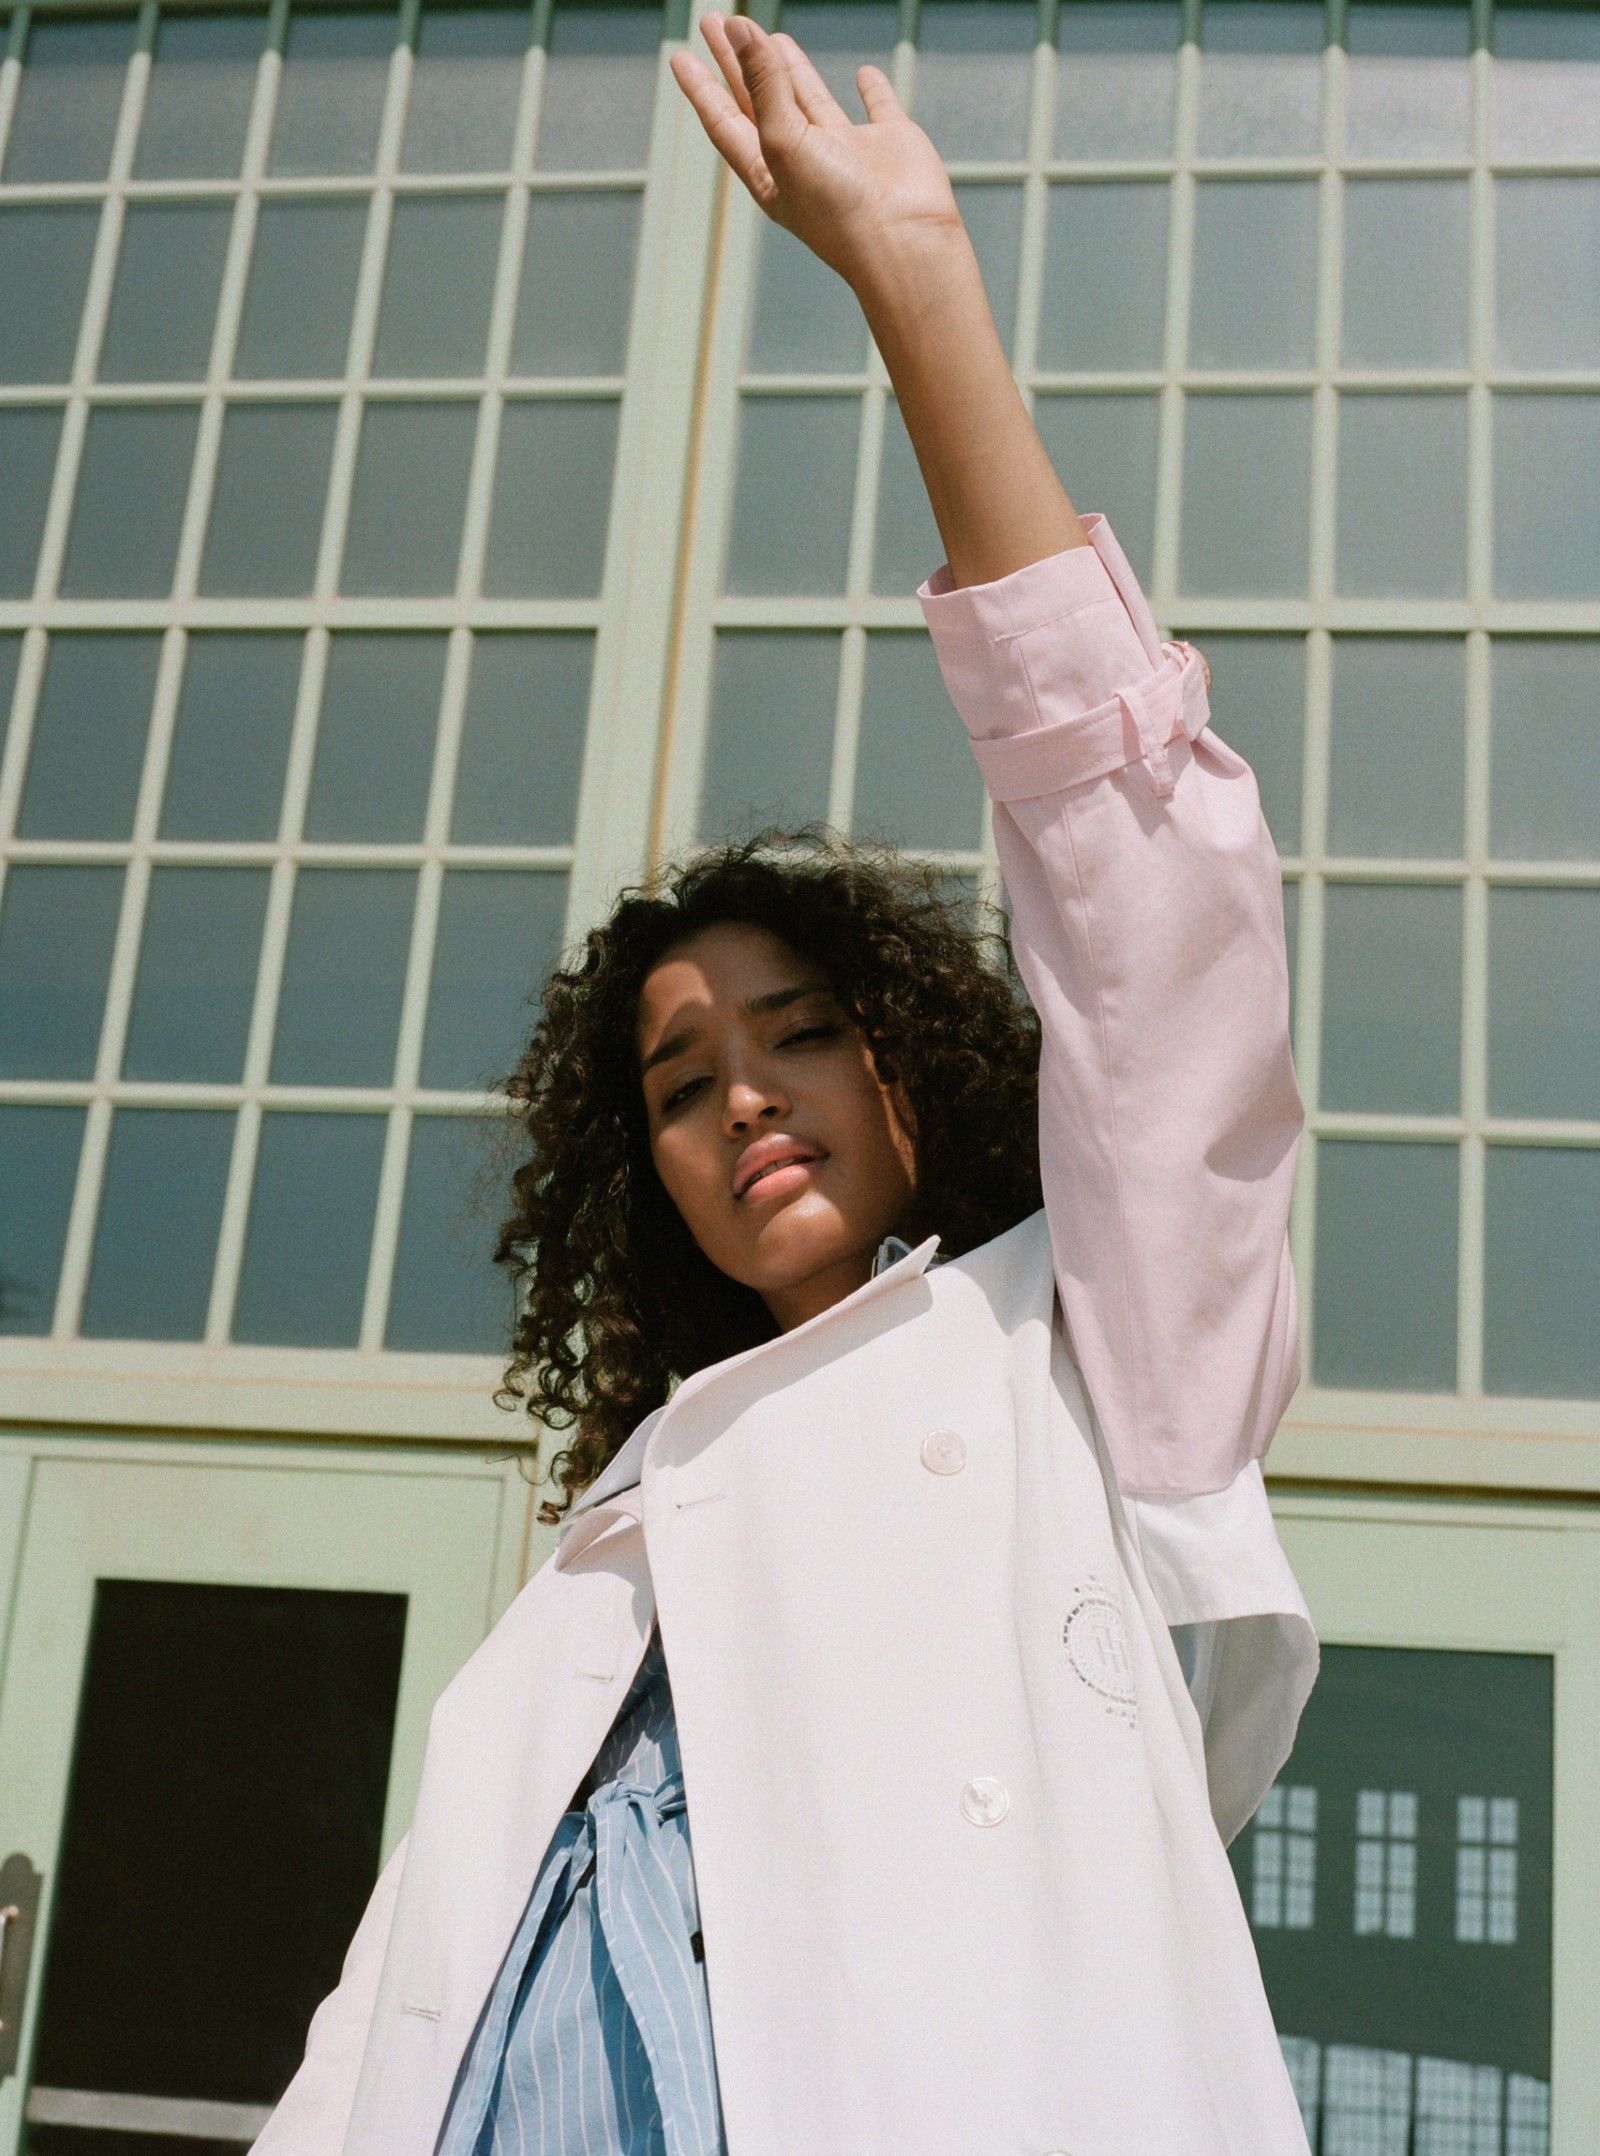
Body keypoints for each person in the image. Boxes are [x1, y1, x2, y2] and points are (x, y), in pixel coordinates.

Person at [252, 13, 1319, 2153]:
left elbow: (1153, 921)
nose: (742, 1097)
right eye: (680, 1083)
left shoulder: (1089, 1357)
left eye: (802, 1030)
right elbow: (383, 2028)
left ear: (919, 1067)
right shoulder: (618, 1525)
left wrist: (917, 285)